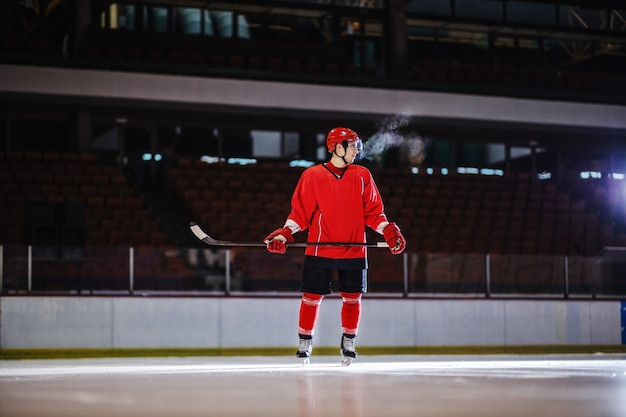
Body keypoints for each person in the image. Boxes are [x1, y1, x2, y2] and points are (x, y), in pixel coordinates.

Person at [263, 126, 406, 366]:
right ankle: (305, 342)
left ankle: (349, 341)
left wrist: (388, 231)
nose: (356, 151)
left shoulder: (362, 175)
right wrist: (284, 234)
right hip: (321, 248)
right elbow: (300, 215)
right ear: (338, 147)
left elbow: (374, 213)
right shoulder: (312, 176)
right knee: (311, 297)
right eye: (352, 146)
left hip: (355, 248)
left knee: (353, 298)